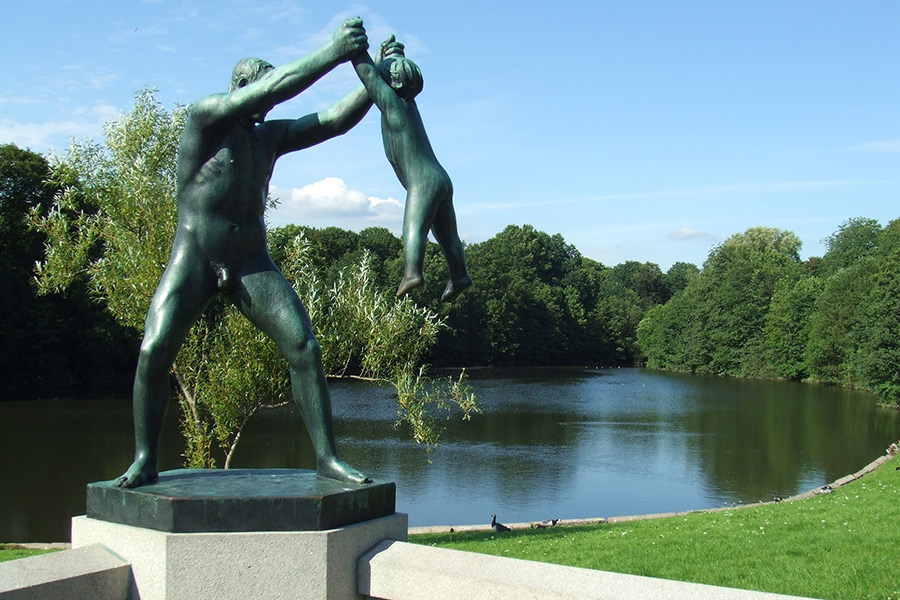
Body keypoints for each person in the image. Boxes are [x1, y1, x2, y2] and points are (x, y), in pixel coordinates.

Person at [115, 18, 397, 488]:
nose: (269, 102)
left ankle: (327, 458)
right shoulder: (206, 116)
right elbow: (283, 84)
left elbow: (332, 120)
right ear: (242, 87)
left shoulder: (267, 138)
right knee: (154, 350)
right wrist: (333, 51)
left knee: (304, 346)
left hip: (250, 263)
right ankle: (145, 458)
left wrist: (377, 77)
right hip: (196, 258)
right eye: (262, 89)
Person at [351, 37, 472, 301]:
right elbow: (386, 73)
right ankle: (459, 274)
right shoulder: (410, 105)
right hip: (441, 178)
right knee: (447, 236)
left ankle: (412, 272)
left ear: (392, 83)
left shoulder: (392, 104)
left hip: (423, 181)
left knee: (413, 229)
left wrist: (355, 50)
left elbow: (368, 75)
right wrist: (392, 55)